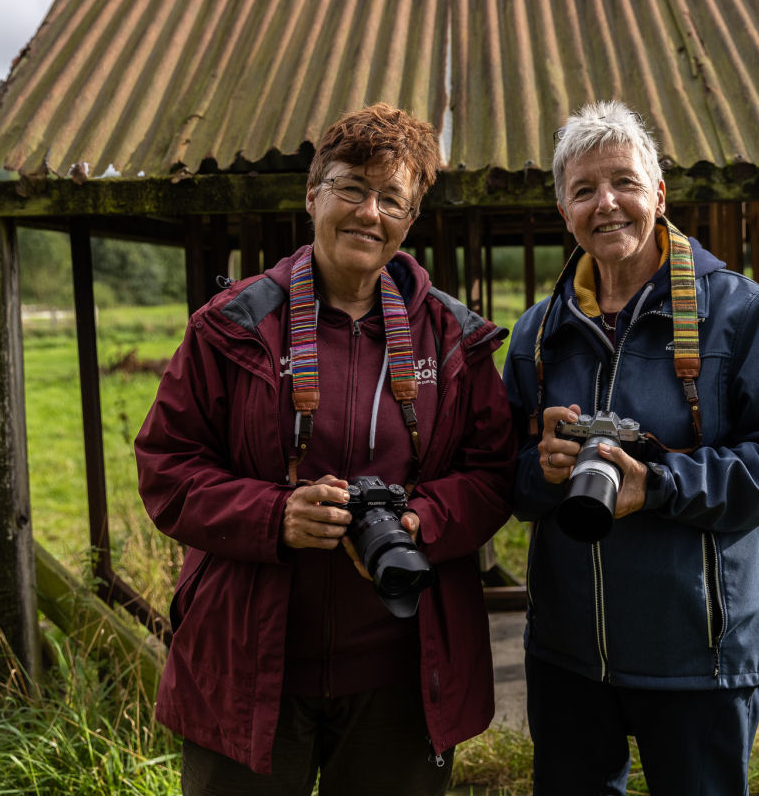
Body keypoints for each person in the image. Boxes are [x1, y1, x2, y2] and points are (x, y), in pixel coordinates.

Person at [136, 103, 516, 795]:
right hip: (250, 661)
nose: (369, 212)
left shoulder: (451, 337)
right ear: (312, 194)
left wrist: (420, 521)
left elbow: (493, 473)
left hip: (403, 670)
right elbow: (167, 466)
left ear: (410, 218)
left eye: (391, 198)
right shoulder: (233, 327)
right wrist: (272, 516)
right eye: (351, 188)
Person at [502, 100, 759, 795]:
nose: (607, 204)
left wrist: (660, 485)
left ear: (657, 191)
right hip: (567, 654)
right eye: (584, 190)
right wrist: (544, 467)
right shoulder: (537, 334)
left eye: (623, 181)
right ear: (563, 210)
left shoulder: (739, 313)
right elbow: (501, 474)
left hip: (700, 653)